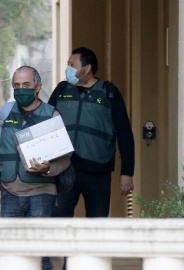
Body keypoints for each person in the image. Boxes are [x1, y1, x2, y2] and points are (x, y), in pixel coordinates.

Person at [0, 66, 70, 270]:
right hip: (10, 192)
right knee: (10, 252)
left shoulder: (51, 115)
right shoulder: (6, 112)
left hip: (41, 194)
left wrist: (48, 169)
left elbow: (65, 159)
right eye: (17, 85)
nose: (21, 89)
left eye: (26, 85)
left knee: (40, 254)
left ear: (38, 87)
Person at [48, 47, 135, 219]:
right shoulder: (61, 90)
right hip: (65, 169)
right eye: (68, 65)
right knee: (57, 219)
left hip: (98, 172)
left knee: (97, 222)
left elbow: (125, 134)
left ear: (86, 69)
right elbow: (45, 124)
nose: (68, 69)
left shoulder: (109, 93)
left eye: (72, 65)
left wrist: (127, 172)